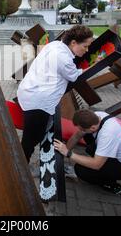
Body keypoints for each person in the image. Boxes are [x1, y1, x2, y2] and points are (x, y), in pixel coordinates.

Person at [17, 25, 94, 164]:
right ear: (73, 43)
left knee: (32, 134)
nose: (87, 50)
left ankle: (22, 161)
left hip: (29, 91)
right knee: (31, 139)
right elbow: (74, 76)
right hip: (38, 102)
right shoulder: (64, 58)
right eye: (85, 46)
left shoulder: (55, 45)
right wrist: (93, 66)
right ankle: (21, 168)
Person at [54, 109, 121, 195]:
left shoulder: (108, 133)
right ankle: (104, 165)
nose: (81, 131)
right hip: (119, 158)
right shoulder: (96, 116)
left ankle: (117, 185)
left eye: (82, 129)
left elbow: (96, 165)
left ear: (93, 127)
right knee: (87, 136)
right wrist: (63, 152)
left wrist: (69, 154)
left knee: (81, 170)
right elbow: (77, 136)